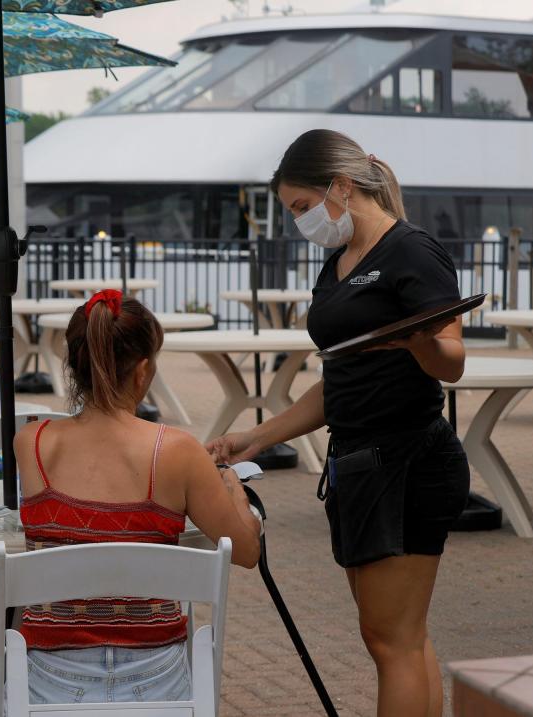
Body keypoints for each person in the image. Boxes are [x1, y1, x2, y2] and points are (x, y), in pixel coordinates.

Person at [207, 129, 469, 717]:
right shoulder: (342, 259)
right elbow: (341, 381)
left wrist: (417, 342)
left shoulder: (411, 250)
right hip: (359, 462)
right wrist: (258, 435)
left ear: (342, 186)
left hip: (406, 463)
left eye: (302, 207)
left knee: (391, 641)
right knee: (401, 638)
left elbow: (451, 361)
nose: (301, 222)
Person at [12, 289, 262, 705]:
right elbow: (247, 550)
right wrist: (232, 487)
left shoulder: (31, 442)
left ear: (75, 366)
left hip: (48, 679)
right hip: (156, 676)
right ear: (143, 372)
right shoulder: (177, 451)